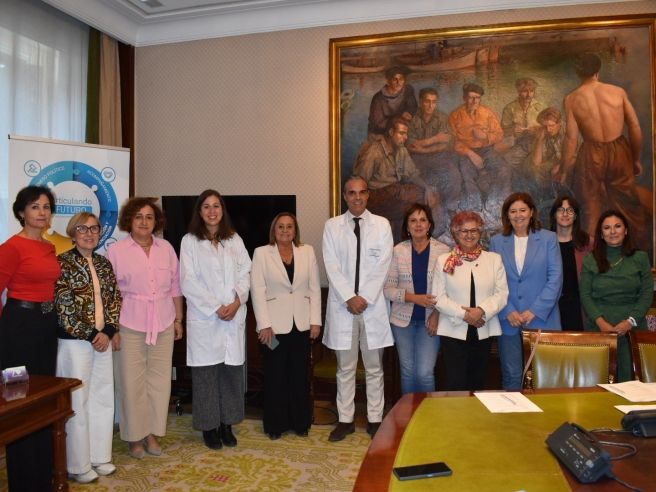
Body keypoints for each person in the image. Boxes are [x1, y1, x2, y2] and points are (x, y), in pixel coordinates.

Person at [107, 197, 184, 459]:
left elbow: (176, 286)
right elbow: (110, 294)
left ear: (156, 221)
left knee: (159, 382)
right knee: (131, 383)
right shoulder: (116, 251)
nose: (144, 221)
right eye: (138, 216)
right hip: (129, 323)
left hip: (163, 322)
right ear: (129, 220)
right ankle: (134, 436)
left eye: (149, 217)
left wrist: (178, 320)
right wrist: (113, 328)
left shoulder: (166, 248)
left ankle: (151, 433)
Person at [322, 175, 393, 441]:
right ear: (345, 196)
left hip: (371, 307)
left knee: (374, 368)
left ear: (368, 195)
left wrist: (364, 298)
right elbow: (331, 265)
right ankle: (345, 420)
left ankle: (375, 419)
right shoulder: (332, 227)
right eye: (352, 193)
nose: (357, 197)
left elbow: (383, 264)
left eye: (362, 192)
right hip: (344, 308)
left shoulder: (382, 225)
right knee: (345, 368)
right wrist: (349, 298)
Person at [179, 190, 251, 450]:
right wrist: (216, 306)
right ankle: (209, 427)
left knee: (231, 374)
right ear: (199, 212)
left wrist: (236, 301)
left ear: (223, 210)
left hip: (233, 315)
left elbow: (246, 271)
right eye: (206, 207)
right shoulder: (189, 241)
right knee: (206, 376)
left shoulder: (234, 239)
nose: (212, 211)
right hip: (206, 318)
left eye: (216, 206)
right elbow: (188, 281)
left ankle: (227, 425)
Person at [54, 212, 122, 483]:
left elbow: (115, 299)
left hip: (102, 341)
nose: (89, 233)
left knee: (102, 398)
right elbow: (64, 308)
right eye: (82, 229)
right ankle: (77, 464)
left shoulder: (104, 263)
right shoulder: (62, 263)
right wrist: (94, 335)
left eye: (94, 229)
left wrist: (109, 331)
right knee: (77, 402)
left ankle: (99, 456)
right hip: (75, 344)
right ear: (73, 233)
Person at [0, 185, 60, 492]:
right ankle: (23, 482)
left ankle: (42, 477)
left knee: (43, 399)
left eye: (46, 207)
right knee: (18, 402)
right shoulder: (11, 247)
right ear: (21, 212)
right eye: (35, 206)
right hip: (17, 331)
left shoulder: (49, 247)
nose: (41, 212)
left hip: (45, 328)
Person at [559, 53, 649, 249]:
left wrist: (564, 170)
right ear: (598, 71)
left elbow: (571, 138)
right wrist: (635, 159)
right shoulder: (617, 92)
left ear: (578, 73)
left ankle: (591, 254)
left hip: (591, 154)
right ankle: (637, 250)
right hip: (619, 151)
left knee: (589, 205)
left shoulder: (572, 99)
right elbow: (635, 127)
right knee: (628, 203)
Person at [251, 212, 321, 439]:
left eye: (289, 226)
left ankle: (300, 422)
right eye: (280, 226)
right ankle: (276, 425)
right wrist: (264, 325)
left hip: (301, 325)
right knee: (275, 376)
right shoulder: (262, 253)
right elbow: (257, 291)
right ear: (274, 230)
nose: (285, 230)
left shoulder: (307, 251)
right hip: (272, 328)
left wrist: (315, 321)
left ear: (295, 230)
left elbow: (314, 288)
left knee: (299, 376)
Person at [489, 192, 562, 390]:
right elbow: (493, 281)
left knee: (545, 377)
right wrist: (508, 311)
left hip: (542, 318)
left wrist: (534, 310)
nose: (518, 215)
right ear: (507, 215)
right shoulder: (497, 242)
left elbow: (555, 279)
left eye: (522, 210)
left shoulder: (548, 239)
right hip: (509, 320)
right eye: (513, 211)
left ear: (531, 212)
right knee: (512, 376)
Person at [434, 211, 508, 391]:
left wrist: (480, 311)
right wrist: (465, 315)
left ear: (480, 232)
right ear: (455, 233)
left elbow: (502, 294)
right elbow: (439, 298)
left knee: (478, 382)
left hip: (483, 328)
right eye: (463, 231)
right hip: (453, 330)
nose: (469, 235)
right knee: (455, 383)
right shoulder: (444, 261)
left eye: (473, 230)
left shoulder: (494, 259)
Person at [579, 210, 652, 382]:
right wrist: (602, 324)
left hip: (633, 329)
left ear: (625, 230)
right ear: (601, 234)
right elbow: (585, 294)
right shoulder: (590, 259)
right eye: (607, 228)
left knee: (633, 384)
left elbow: (647, 292)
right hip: (599, 329)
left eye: (617, 226)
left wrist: (630, 322)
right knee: (598, 381)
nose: (612, 231)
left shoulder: (640, 258)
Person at [384, 203, 449, 394]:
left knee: (424, 373)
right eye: (413, 220)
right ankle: (409, 412)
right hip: (402, 321)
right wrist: (414, 298)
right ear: (407, 226)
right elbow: (388, 289)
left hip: (430, 321)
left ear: (429, 225)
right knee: (407, 372)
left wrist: (437, 314)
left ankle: (428, 412)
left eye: (422, 220)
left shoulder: (443, 251)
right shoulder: (398, 250)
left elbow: (449, 290)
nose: (418, 224)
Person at [354, 116, 440, 242]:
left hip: (395, 192)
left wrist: (427, 188)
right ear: (391, 132)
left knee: (430, 194)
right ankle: (417, 238)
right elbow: (359, 181)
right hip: (377, 196)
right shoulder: (374, 151)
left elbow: (412, 174)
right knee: (413, 204)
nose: (405, 137)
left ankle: (429, 238)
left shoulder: (401, 150)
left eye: (406, 134)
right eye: (401, 133)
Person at [449, 82, 511, 223]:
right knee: (466, 173)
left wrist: (485, 136)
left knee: (504, 169)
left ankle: (493, 204)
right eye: (471, 97)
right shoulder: (455, 116)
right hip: (465, 152)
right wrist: (470, 153)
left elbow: (500, 134)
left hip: (487, 150)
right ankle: (475, 209)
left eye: (477, 98)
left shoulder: (487, 113)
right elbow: (452, 142)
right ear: (464, 98)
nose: (474, 101)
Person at [407, 88, 463, 228]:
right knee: (423, 182)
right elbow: (410, 145)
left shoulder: (442, 118)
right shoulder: (412, 119)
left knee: (454, 175)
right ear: (421, 102)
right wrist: (436, 139)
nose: (430, 105)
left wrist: (424, 146)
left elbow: (446, 144)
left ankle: (451, 210)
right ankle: (429, 218)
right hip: (417, 159)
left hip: (439, 157)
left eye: (434, 102)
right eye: (427, 101)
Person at [548, 195, 593, 331]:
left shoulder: (588, 243)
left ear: (576, 216)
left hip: (579, 306)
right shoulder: (545, 242)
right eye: (560, 210)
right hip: (552, 306)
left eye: (570, 210)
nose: (565, 214)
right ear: (554, 214)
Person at [367, 65, 417, 137]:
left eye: (401, 79)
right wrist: (400, 117)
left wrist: (409, 113)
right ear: (388, 81)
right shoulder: (378, 98)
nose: (398, 82)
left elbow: (413, 107)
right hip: (381, 133)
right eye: (395, 79)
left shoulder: (408, 90)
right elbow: (377, 124)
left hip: (402, 130)